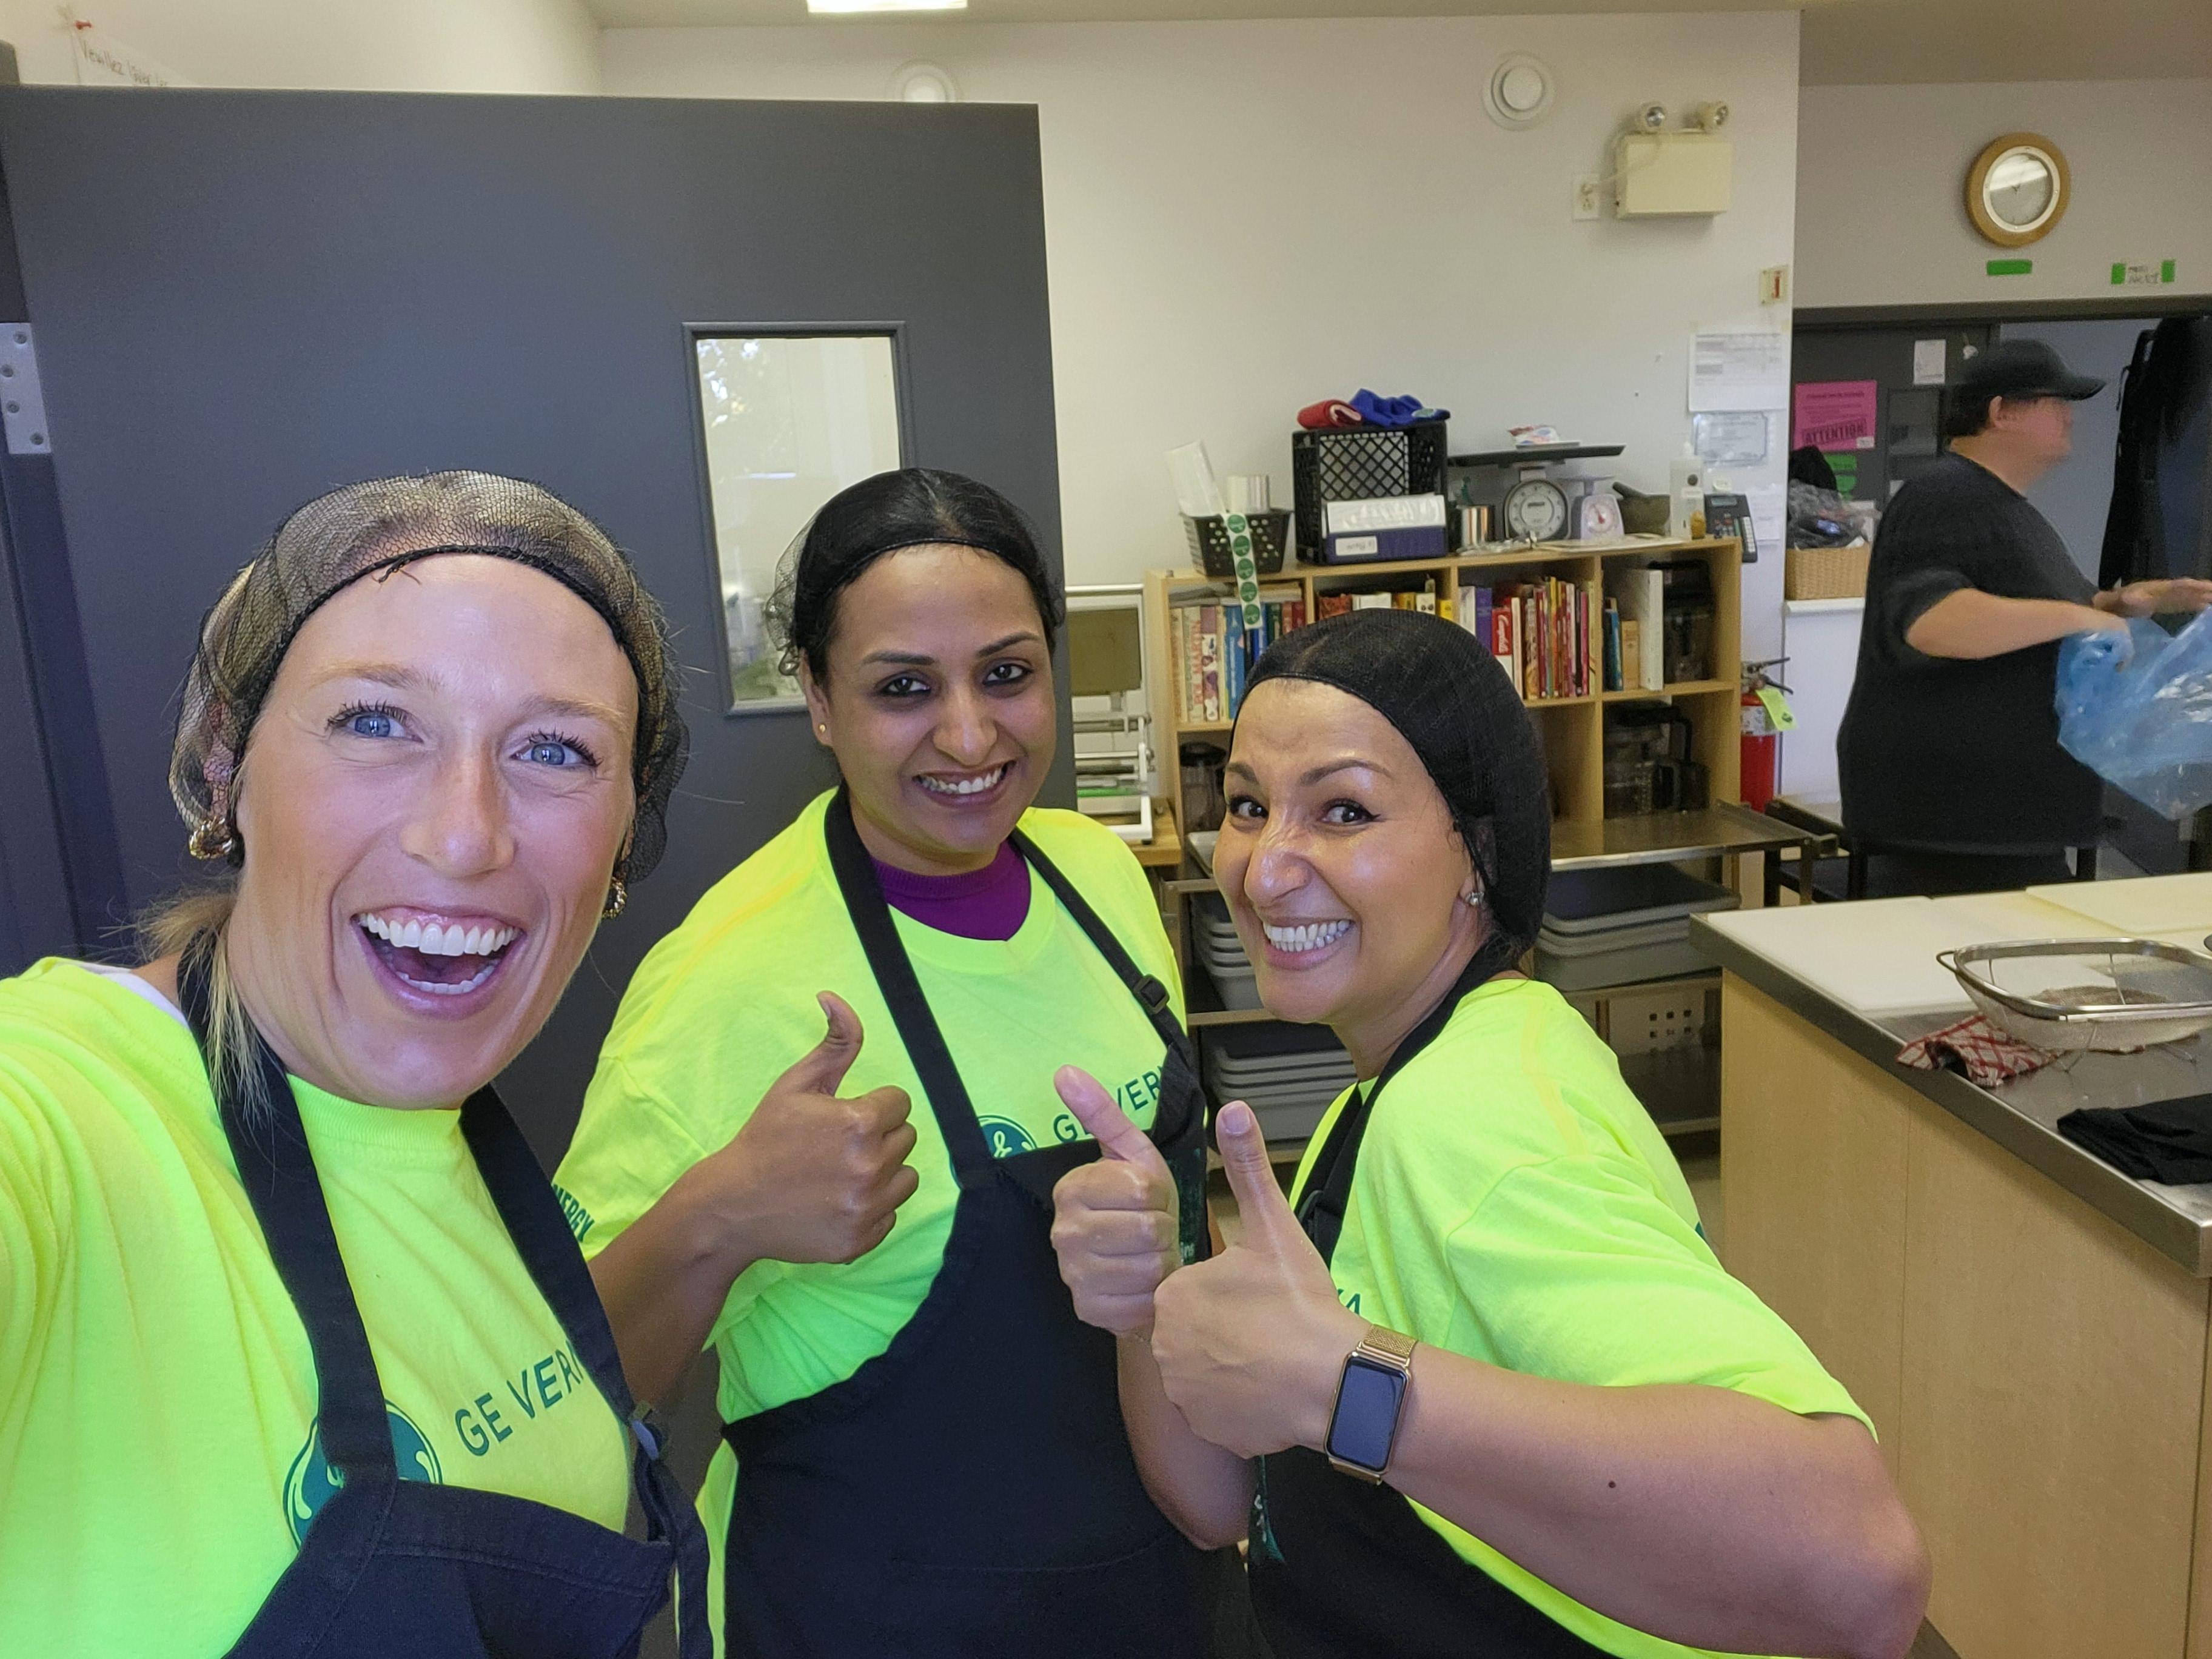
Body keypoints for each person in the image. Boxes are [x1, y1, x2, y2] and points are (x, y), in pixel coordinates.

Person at [1051, 609, 1931, 1659]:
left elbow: (1857, 1571)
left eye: (1341, 810)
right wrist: (1143, 1296)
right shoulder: (1389, 1086)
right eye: (1246, 804)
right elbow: (1221, 1506)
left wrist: (1345, 1387)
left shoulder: (1468, 1120)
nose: (1266, 866)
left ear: (1475, 852)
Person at [0, 474, 710, 1657]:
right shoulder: (66, 1115)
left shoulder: (465, 1156)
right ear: (226, 768)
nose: (465, 833)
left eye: (555, 749)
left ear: (623, 845)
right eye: (377, 721)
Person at [554, 468, 1212, 1657]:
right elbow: (564, 1385)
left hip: (1154, 1593)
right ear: (815, 695)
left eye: (1007, 674)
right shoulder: (727, 980)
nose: (970, 735)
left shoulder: (1102, 878)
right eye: (904, 688)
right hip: (860, 1618)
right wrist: (724, 1215)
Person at [1838, 338, 2212, 897]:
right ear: (2001, 412)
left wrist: (2127, 602)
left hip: (2001, 819)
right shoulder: (1946, 494)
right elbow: (1933, 623)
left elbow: (2022, 611)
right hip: (1957, 822)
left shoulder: (2002, 506)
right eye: (2054, 401)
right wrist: (2081, 617)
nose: (2069, 416)